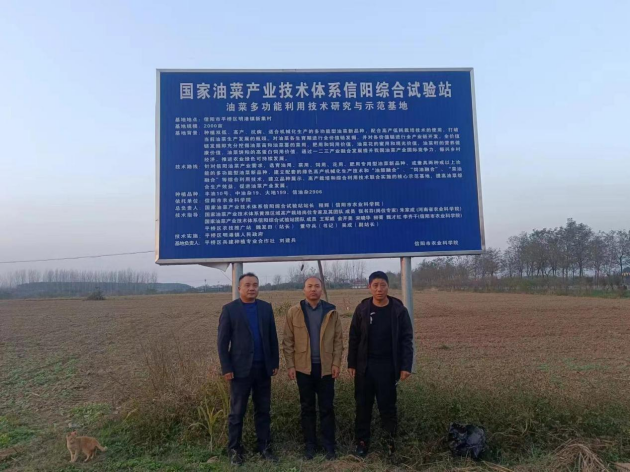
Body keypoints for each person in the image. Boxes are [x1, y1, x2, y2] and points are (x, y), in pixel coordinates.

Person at [347, 271, 414, 458]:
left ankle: (390, 443)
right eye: (375, 285)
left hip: (387, 367)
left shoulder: (398, 310)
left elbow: (406, 339)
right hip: (365, 367)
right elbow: (354, 337)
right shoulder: (362, 309)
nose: (379, 289)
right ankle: (362, 443)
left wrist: (406, 366)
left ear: (388, 287)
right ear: (369, 287)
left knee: (388, 407)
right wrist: (351, 363)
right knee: (363, 407)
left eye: (382, 285)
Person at [217, 273, 279, 466]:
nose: (252, 288)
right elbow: (222, 343)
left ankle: (264, 447)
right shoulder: (230, 310)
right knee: (237, 412)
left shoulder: (265, 308)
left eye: (255, 285)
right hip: (239, 370)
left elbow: (272, 337)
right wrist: (226, 367)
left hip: (263, 368)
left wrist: (274, 362)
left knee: (263, 410)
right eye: (248, 285)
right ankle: (234, 449)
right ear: (239, 288)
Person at [282, 277, 343, 460]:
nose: (313, 289)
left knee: (327, 408)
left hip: (326, 369)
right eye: (309, 286)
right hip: (303, 369)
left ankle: (329, 446)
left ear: (321, 289)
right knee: (307, 408)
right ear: (304, 289)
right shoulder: (294, 312)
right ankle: (310, 446)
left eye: (317, 286)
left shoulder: (331, 312)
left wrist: (336, 363)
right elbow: (287, 341)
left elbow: (338, 340)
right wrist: (291, 365)